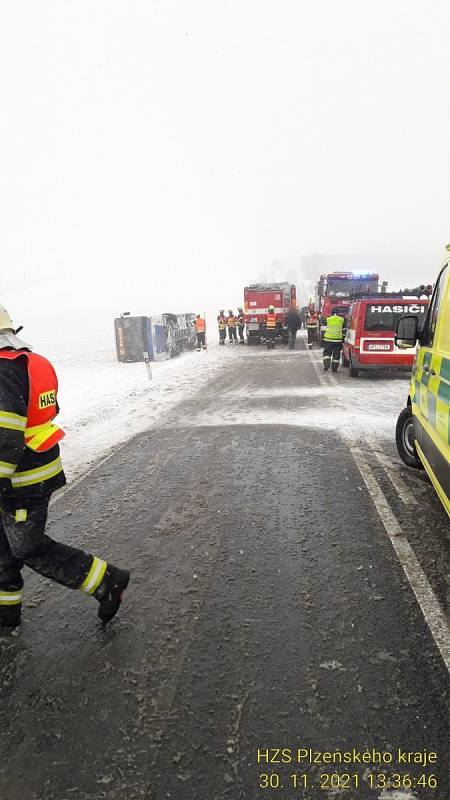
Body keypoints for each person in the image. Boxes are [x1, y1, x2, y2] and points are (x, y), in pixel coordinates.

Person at [0, 305, 130, 632]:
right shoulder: (33, 361)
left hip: (18, 481)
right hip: (33, 469)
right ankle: (6, 616)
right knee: (3, 549)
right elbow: (48, 409)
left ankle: (107, 580)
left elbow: (6, 437)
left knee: (26, 547)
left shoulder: (4, 369)